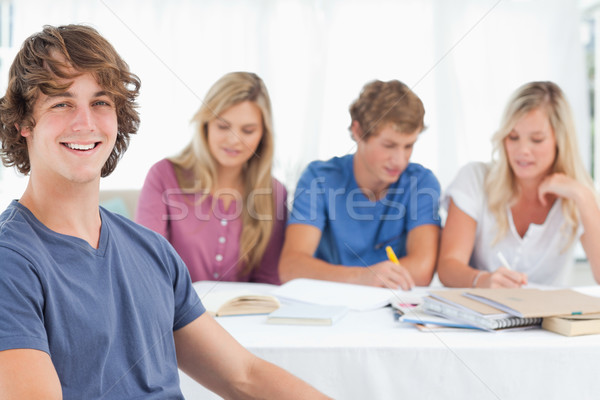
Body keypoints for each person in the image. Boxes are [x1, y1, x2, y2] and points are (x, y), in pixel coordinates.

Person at [0, 24, 328, 399]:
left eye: (101, 102)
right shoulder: (11, 262)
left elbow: (244, 375)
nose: (85, 122)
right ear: (22, 122)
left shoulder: (152, 252)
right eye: (61, 102)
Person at [279, 79, 441, 290]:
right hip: (328, 303)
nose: (400, 160)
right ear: (358, 131)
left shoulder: (421, 183)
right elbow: (292, 268)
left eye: (408, 146)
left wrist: (360, 277)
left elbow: (421, 270)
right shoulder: (318, 179)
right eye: (389, 145)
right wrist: (362, 277)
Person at [437, 81, 600, 288]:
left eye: (537, 140)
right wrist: (482, 280)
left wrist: (582, 195)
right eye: (513, 137)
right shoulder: (474, 179)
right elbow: (448, 267)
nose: (522, 150)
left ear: (560, 140)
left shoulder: (577, 198)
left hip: (546, 318)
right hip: (484, 315)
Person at [136, 72, 286, 284]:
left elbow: (267, 282)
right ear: (205, 125)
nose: (234, 140)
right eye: (223, 126)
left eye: (248, 130)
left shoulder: (275, 193)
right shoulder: (163, 176)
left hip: (244, 316)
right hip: (172, 314)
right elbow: (147, 265)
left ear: (263, 135)